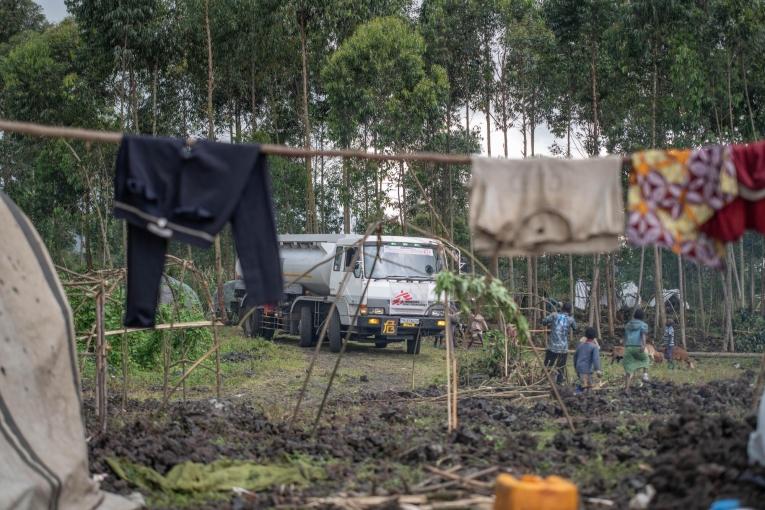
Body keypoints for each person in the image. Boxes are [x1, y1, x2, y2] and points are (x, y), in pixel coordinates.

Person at [541, 302, 576, 385]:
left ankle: (544, 380)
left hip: (553, 346)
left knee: (548, 365)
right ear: (570, 310)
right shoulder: (570, 319)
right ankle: (559, 383)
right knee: (560, 367)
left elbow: (544, 321)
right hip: (563, 348)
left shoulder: (554, 315)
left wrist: (550, 322)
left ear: (562, 308)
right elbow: (575, 328)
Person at [623, 308, 650, 390]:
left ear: (634, 316)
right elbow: (643, 335)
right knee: (646, 359)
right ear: (642, 317)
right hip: (637, 346)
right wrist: (643, 345)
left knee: (628, 370)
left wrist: (625, 345)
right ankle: (645, 375)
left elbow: (626, 336)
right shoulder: (643, 325)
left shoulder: (628, 325)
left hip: (628, 347)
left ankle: (626, 389)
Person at [574, 327, 601, 392]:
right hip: (587, 370)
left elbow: (575, 357)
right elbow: (596, 359)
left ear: (585, 335)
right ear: (594, 337)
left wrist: (576, 368)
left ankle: (581, 394)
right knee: (588, 387)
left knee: (584, 385)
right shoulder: (594, 347)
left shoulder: (580, 345)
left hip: (579, 368)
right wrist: (598, 370)